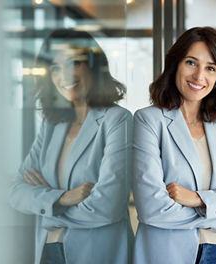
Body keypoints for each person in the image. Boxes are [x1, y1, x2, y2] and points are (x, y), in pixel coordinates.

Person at [9, 29, 133, 264]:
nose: (63, 74)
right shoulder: (52, 125)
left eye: (74, 63)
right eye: (55, 67)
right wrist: (64, 198)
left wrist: (45, 206)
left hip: (97, 254)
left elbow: (109, 206)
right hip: (47, 250)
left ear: (93, 66)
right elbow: (16, 192)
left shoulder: (117, 120)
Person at [132, 26, 216, 264]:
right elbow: (151, 208)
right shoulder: (148, 120)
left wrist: (199, 199)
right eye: (191, 63)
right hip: (168, 255)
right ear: (175, 64)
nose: (199, 77)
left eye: (210, 68)